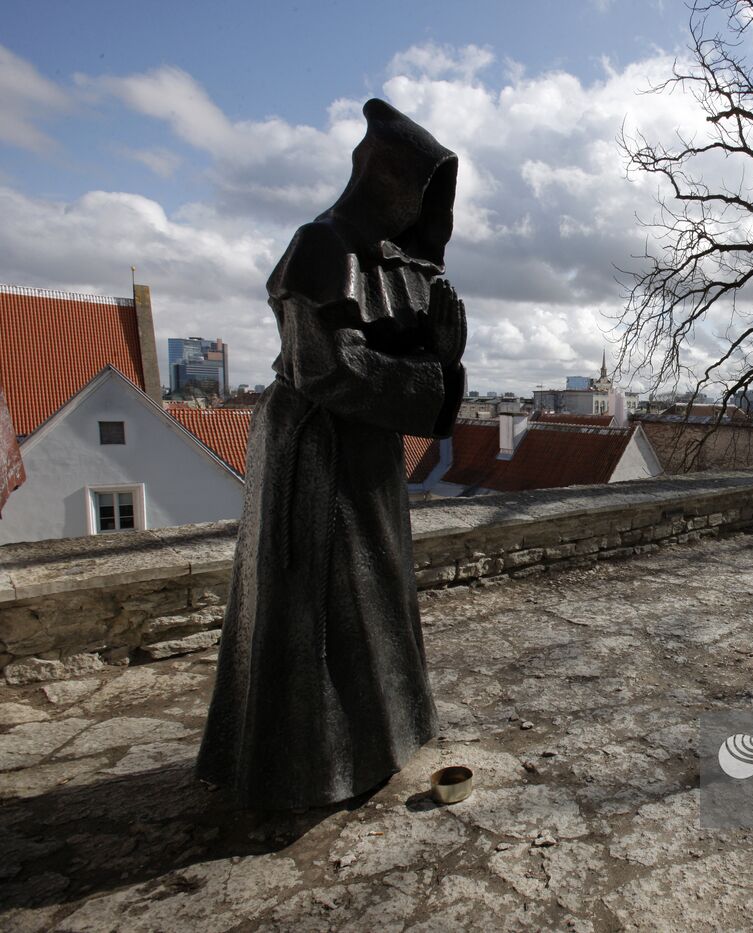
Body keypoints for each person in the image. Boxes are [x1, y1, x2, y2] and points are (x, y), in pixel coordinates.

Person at [196, 99, 466, 809]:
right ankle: (307, 766)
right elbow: (328, 369)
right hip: (315, 456)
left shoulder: (376, 257)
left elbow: (387, 349)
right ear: (381, 174)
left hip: (365, 456)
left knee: (371, 599)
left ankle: (379, 739)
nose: (419, 212)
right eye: (417, 190)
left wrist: (439, 353)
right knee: (316, 610)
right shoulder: (320, 247)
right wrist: (433, 375)